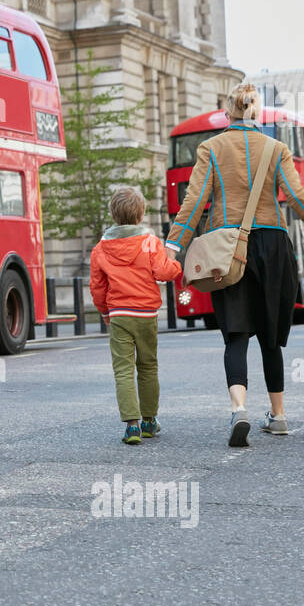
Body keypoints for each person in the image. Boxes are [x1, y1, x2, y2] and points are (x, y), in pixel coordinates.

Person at [165, 84, 304, 447]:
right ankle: (279, 415)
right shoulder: (276, 149)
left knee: (235, 334)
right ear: (255, 113)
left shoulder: (210, 148)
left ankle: (239, 409)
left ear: (227, 113)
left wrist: (172, 248)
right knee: (271, 336)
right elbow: (300, 198)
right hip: (272, 244)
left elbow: (194, 203)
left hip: (227, 246)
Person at [90, 186, 183, 445]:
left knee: (123, 370)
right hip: (146, 314)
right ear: (141, 214)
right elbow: (164, 272)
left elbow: (98, 287)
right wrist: (176, 264)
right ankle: (149, 421)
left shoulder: (100, 249)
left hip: (119, 314)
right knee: (148, 367)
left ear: (113, 214)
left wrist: (105, 313)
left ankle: (132, 426)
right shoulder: (150, 242)